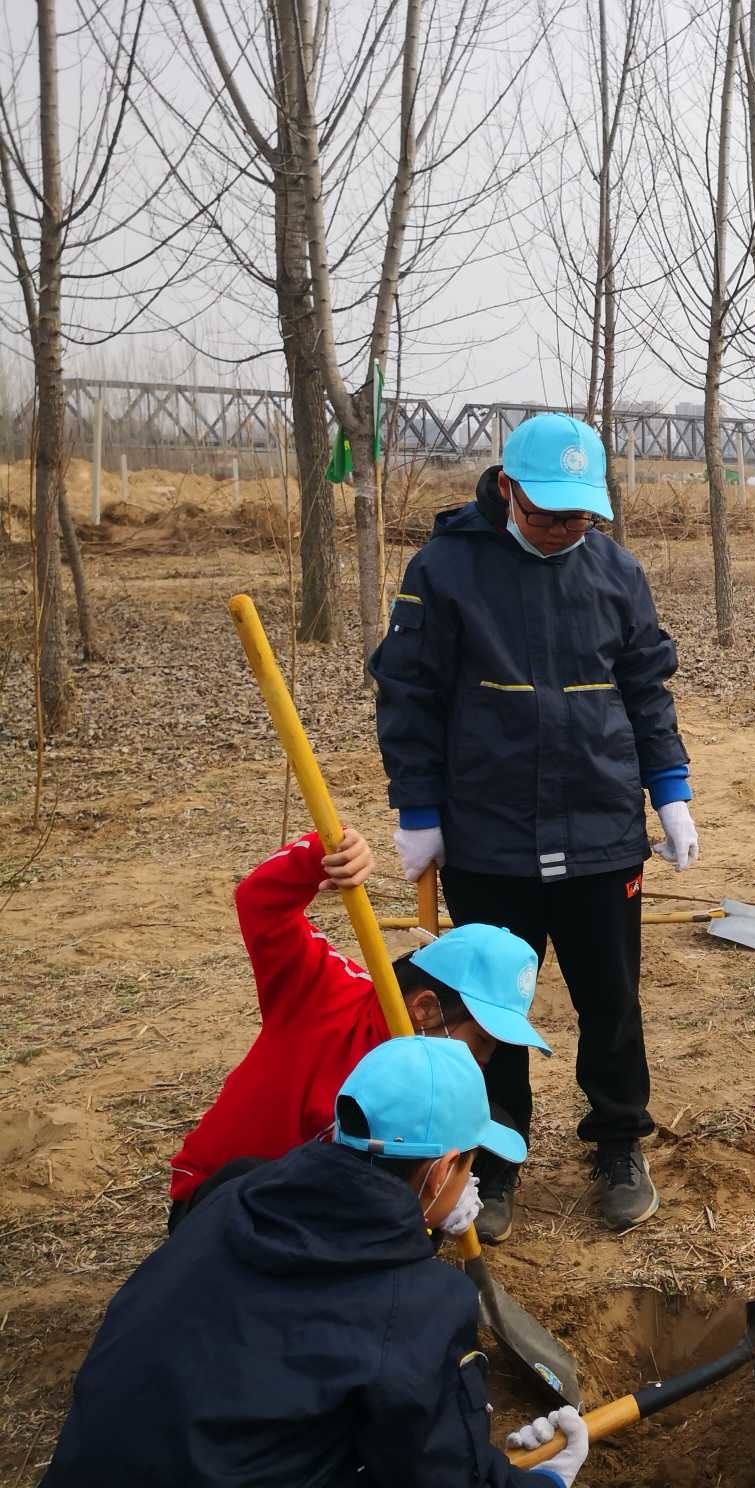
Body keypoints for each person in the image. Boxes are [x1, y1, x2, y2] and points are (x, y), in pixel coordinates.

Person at [370, 410, 695, 1240]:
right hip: (491, 831)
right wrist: (419, 811)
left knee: (611, 1000)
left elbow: (646, 691)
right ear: (507, 489)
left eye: (580, 516)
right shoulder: (443, 572)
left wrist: (670, 789)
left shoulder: (617, 571)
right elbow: (409, 698)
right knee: (486, 1007)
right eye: (549, 514)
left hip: (601, 829)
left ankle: (619, 1139)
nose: (564, 531)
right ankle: (497, 1155)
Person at [44, 1036, 590, 1488]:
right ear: (443, 1168)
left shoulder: (235, 1193)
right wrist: (545, 1482)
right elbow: (439, 1476)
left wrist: (417, 1232)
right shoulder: (421, 1308)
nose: (471, 1182)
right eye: (469, 1164)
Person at [166, 830, 549, 1235]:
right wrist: (326, 851)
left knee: (485, 1124)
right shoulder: (325, 993)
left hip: (318, 1212)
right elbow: (259, 903)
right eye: (481, 1041)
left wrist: (435, 1204)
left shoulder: (431, 1081)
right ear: (425, 1007)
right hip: (222, 1203)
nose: (484, 1061)